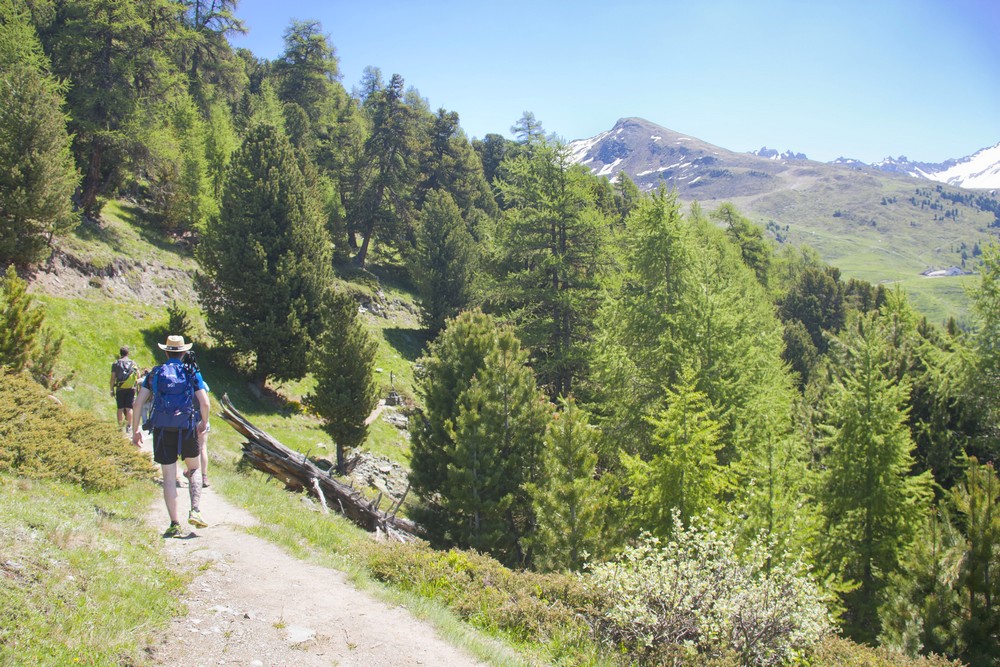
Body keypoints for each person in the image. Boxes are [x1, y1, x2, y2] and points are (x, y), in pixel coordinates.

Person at [132, 335, 210, 538]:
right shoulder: (191, 371)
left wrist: (136, 430)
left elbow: (138, 403)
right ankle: (195, 510)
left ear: (166, 352)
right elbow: (205, 403)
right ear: (184, 352)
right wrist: (202, 423)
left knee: (168, 476)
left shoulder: (156, 373)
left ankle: (174, 523)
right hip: (186, 426)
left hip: (162, 427)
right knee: (193, 469)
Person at [110, 346, 138, 434]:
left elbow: (113, 378)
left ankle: (120, 427)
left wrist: (111, 389)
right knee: (129, 408)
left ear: (120, 353)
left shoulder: (116, 363)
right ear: (128, 353)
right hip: (130, 388)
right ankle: (129, 426)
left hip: (120, 388)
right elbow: (138, 376)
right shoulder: (133, 363)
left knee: (120, 408)